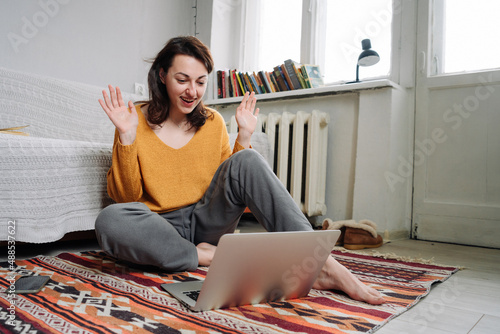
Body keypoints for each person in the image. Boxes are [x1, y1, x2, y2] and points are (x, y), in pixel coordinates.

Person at [95, 36, 385, 305]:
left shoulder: (213, 121)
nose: (191, 91)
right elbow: (126, 198)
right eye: (182, 80)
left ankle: (319, 262)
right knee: (110, 219)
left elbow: (231, 178)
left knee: (248, 158)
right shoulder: (133, 120)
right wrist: (127, 138)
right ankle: (201, 255)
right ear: (162, 75)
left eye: (200, 81)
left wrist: (244, 138)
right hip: (160, 227)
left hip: (206, 220)